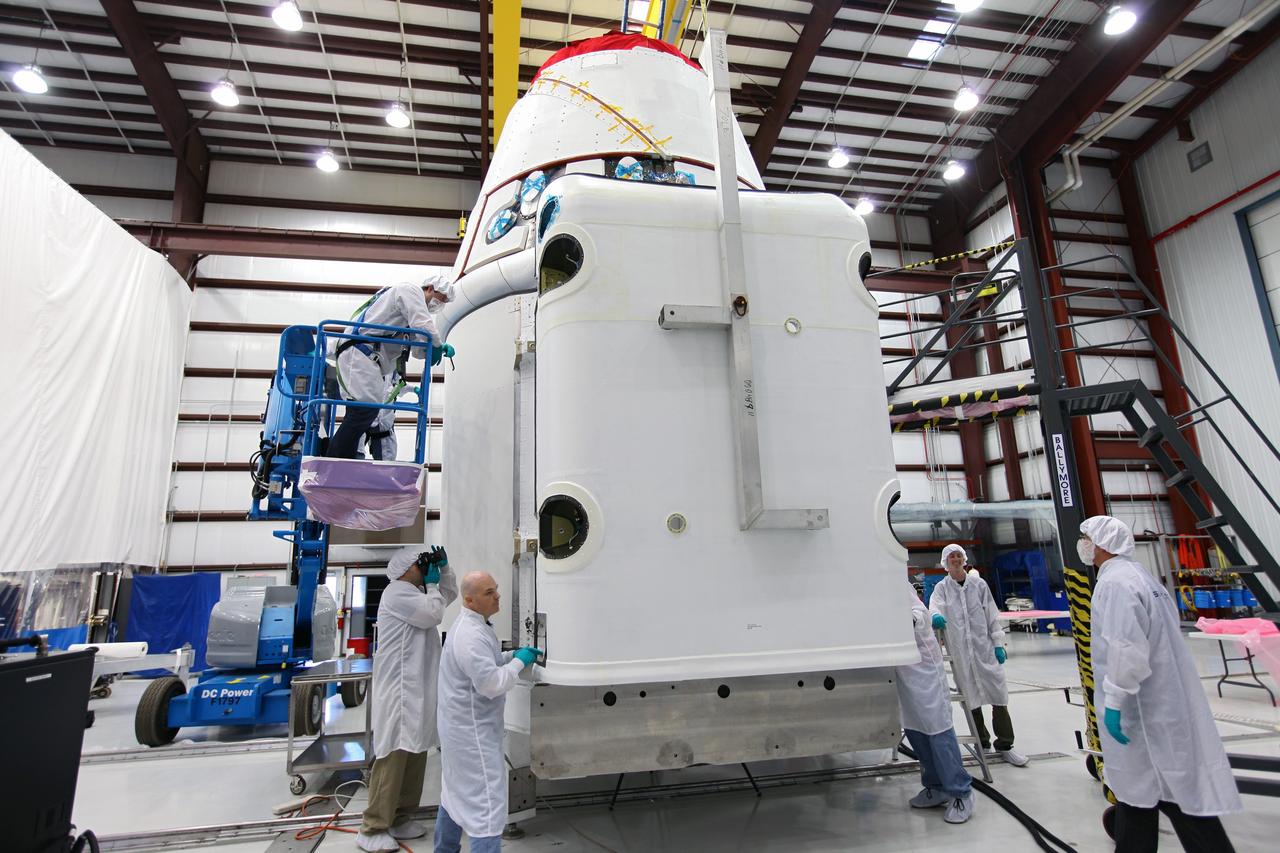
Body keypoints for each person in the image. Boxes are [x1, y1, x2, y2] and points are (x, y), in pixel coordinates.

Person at [1082, 515, 1241, 852]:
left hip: (1142, 710)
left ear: (1101, 543)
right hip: (1161, 703)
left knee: (1159, 792)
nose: (1084, 545)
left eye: (1086, 538)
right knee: (1153, 795)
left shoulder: (1115, 584)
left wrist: (1113, 703)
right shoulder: (1140, 576)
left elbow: (1127, 650)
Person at [355, 546, 457, 852]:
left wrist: (445, 570)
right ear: (403, 569)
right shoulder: (396, 592)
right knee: (394, 755)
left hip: (417, 688)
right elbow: (433, 613)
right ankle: (372, 827)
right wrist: (432, 583)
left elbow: (447, 598)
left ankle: (400, 817)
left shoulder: (418, 592)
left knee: (416, 749)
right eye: (419, 563)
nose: (423, 568)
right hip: (399, 690)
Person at [434, 572, 541, 853]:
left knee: (454, 797)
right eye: (488, 593)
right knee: (487, 810)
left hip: (460, 731)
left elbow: (488, 663)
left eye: (496, 590)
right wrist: (519, 663)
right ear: (469, 600)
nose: (497, 596)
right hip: (473, 739)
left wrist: (512, 655)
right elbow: (491, 684)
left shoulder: (474, 626)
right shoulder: (470, 636)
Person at [330, 275, 457, 460]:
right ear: (430, 288)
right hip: (359, 353)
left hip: (366, 358)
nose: (439, 304)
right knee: (364, 410)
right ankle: (335, 461)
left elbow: (417, 350)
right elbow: (424, 324)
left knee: (361, 411)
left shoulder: (406, 315)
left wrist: (436, 349)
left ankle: (340, 460)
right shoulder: (409, 290)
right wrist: (436, 343)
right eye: (440, 298)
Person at [928, 543, 1028, 767]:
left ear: (964, 559)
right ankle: (981, 742)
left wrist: (998, 643)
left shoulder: (978, 584)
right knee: (970, 697)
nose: (955, 559)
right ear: (945, 563)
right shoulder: (942, 588)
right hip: (961, 653)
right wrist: (935, 616)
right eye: (951, 557)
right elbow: (934, 607)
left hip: (984, 650)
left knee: (998, 695)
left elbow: (992, 615)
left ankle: (1005, 744)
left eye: (958, 556)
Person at [897, 582, 975, 824]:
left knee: (938, 730)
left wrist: (908, 621)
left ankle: (961, 792)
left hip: (923, 665)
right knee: (915, 730)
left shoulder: (894, 582)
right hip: (902, 669)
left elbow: (920, 612)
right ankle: (935, 786)